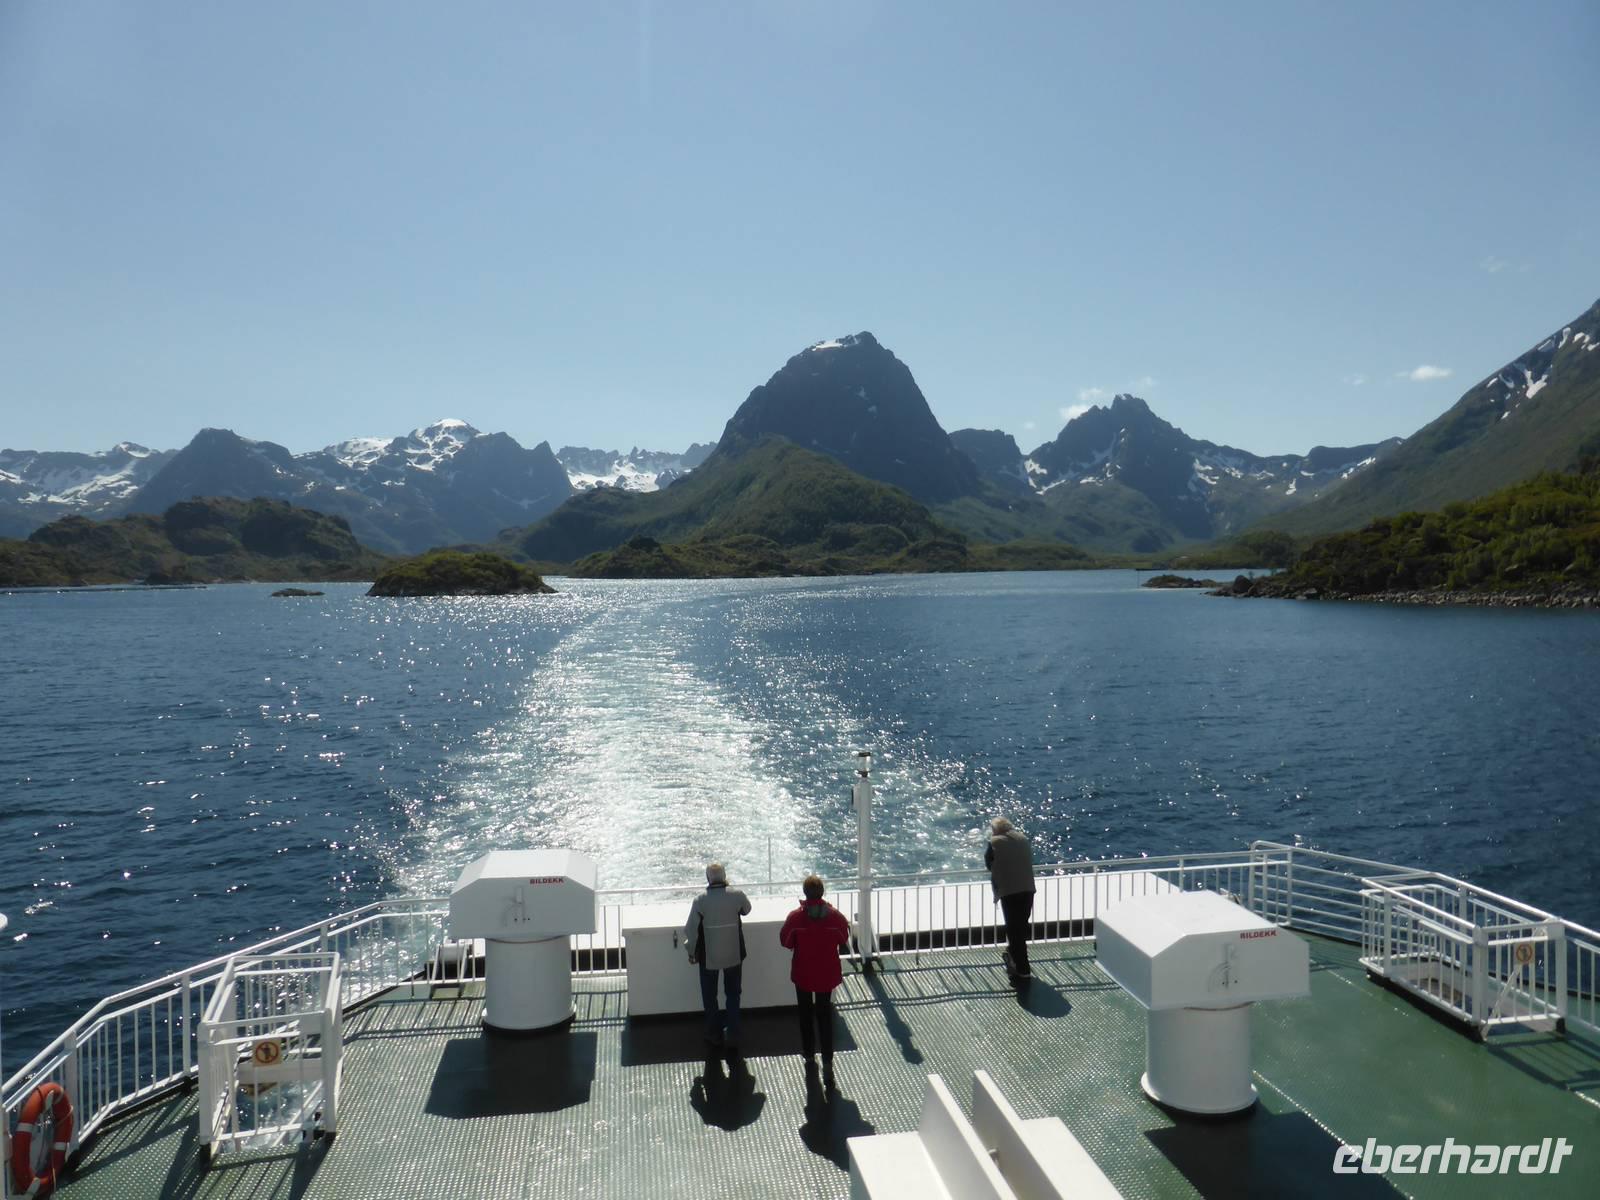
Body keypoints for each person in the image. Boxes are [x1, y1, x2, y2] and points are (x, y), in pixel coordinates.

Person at [779, 874, 851, 1091]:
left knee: (805, 1015)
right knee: (824, 1017)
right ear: (822, 892)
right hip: (826, 973)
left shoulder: (796, 918)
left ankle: (809, 1055)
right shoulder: (835, 917)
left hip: (803, 972)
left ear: (805, 892)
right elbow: (843, 938)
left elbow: (785, 941)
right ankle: (828, 1062)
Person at [684, 862, 751, 1049]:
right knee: (733, 994)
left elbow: (691, 931)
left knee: (710, 996)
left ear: (708, 878)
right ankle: (733, 1033)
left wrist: (691, 952)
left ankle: (714, 1033)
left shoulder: (700, 901)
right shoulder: (737, 895)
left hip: (709, 957)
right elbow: (747, 909)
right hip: (734, 953)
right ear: (725, 876)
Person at [985, 817, 1036, 978]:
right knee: (1021, 926)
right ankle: (1016, 958)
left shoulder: (994, 842)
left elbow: (989, 863)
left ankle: (1022, 969)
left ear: (995, 829)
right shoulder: (1023, 839)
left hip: (1009, 890)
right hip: (1028, 888)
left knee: (1013, 929)